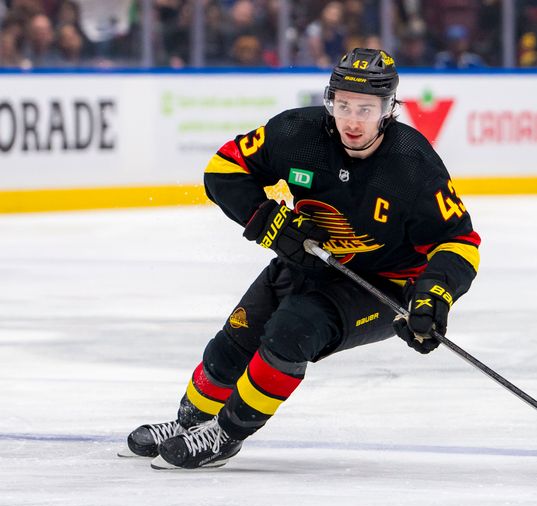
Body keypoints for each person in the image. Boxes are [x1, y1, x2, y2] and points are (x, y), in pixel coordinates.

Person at [125, 48, 481, 469]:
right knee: (234, 342)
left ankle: (225, 434)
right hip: (308, 261)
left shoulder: (412, 165)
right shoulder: (297, 133)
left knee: (290, 331)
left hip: (381, 285)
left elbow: (459, 242)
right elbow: (224, 168)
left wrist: (432, 297)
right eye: (343, 105)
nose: (352, 120)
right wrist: (268, 222)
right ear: (330, 99)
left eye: (365, 109)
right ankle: (189, 422)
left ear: (388, 110)